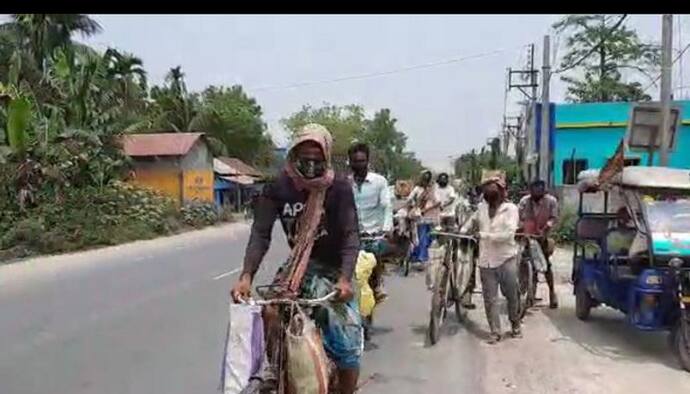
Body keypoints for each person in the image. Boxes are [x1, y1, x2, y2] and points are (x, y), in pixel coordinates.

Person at [230, 124, 361, 394]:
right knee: (270, 311)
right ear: (292, 155)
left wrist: (345, 279)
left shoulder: (338, 188)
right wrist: (246, 277)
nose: (311, 164)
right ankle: (274, 367)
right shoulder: (278, 188)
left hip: (333, 271)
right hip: (296, 270)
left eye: (317, 158)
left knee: (346, 340)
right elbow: (260, 234)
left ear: (326, 156)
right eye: (305, 156)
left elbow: (350, 236)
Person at [461, 174, 521, 344]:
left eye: (494, 188)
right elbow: (470, 222)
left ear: (502, 192)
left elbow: (509, 234)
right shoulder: (481, 208)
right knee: (490, 299)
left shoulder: (510, 209)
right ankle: (495, 331)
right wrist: (463, 231)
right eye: (487, 189)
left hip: (506, 258)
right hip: (486, 260)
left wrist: (484, 235)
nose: (490, 192)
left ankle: (515, 324)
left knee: (511, 295)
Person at [348, 142, 394, 303]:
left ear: (367, 161)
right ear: (350, 162)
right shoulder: (346, 183)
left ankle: (379, 284)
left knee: (375, 258)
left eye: (362, 161)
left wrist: (386, 228)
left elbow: (386, 206)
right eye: (355, 161)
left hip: (374, 233)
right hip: (352, 233)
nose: (358, 165)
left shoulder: (379, 182)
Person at [518, 179, 560, 309]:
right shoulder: (525, 201)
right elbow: (519, 217)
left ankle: (552, 293)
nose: (536, 191)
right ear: (530, 190)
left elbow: (553, 218)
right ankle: (530, 293)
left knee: (546, 264)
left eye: (539, 189)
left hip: (542, 236)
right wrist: (520, 228)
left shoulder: (551, 201)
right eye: (534, 189)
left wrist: (547, 227)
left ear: (543, 190)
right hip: (527, 235)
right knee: (525, 263)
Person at [406, 170, 440, 269]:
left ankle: (420, 256)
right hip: (423, 216)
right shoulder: (420, 189)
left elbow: (438, 202)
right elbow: (409, 199)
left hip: (428, 215)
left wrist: (424, 209)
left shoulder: (432, 189)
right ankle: (421, 257)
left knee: (427, 237)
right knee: (423, 237)